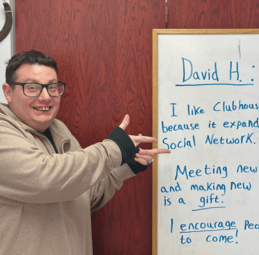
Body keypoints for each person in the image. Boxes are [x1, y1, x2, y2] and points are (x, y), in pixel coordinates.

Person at [0, 50, 170, 255]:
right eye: (32, 87)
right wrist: (113, 149)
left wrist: (128, 165)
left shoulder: (58, 129)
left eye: (52, 87)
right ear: (8, 92)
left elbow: (87, 194)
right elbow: (45, 179)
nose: (45, 97)